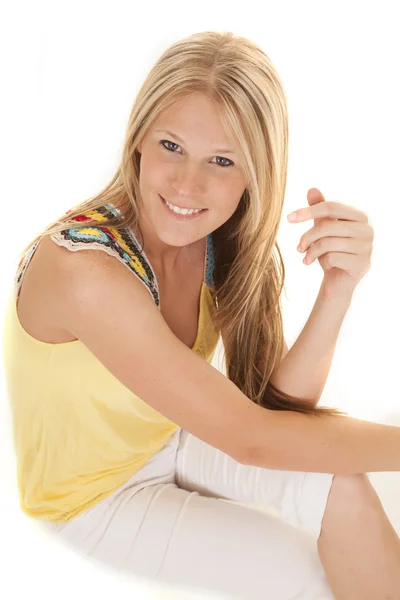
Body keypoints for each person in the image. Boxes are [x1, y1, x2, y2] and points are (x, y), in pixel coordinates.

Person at [2, 30, 400, 600]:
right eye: (171, 146)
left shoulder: (219, 239)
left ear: (254, 173)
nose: (189, 184)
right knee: (318, 578)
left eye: (221, 160)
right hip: (96, 498)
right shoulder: (85, 273)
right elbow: (254, 440)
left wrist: (339, 289)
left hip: (175, 436)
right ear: (138, 138)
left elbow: (276, 413)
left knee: (346, 491)